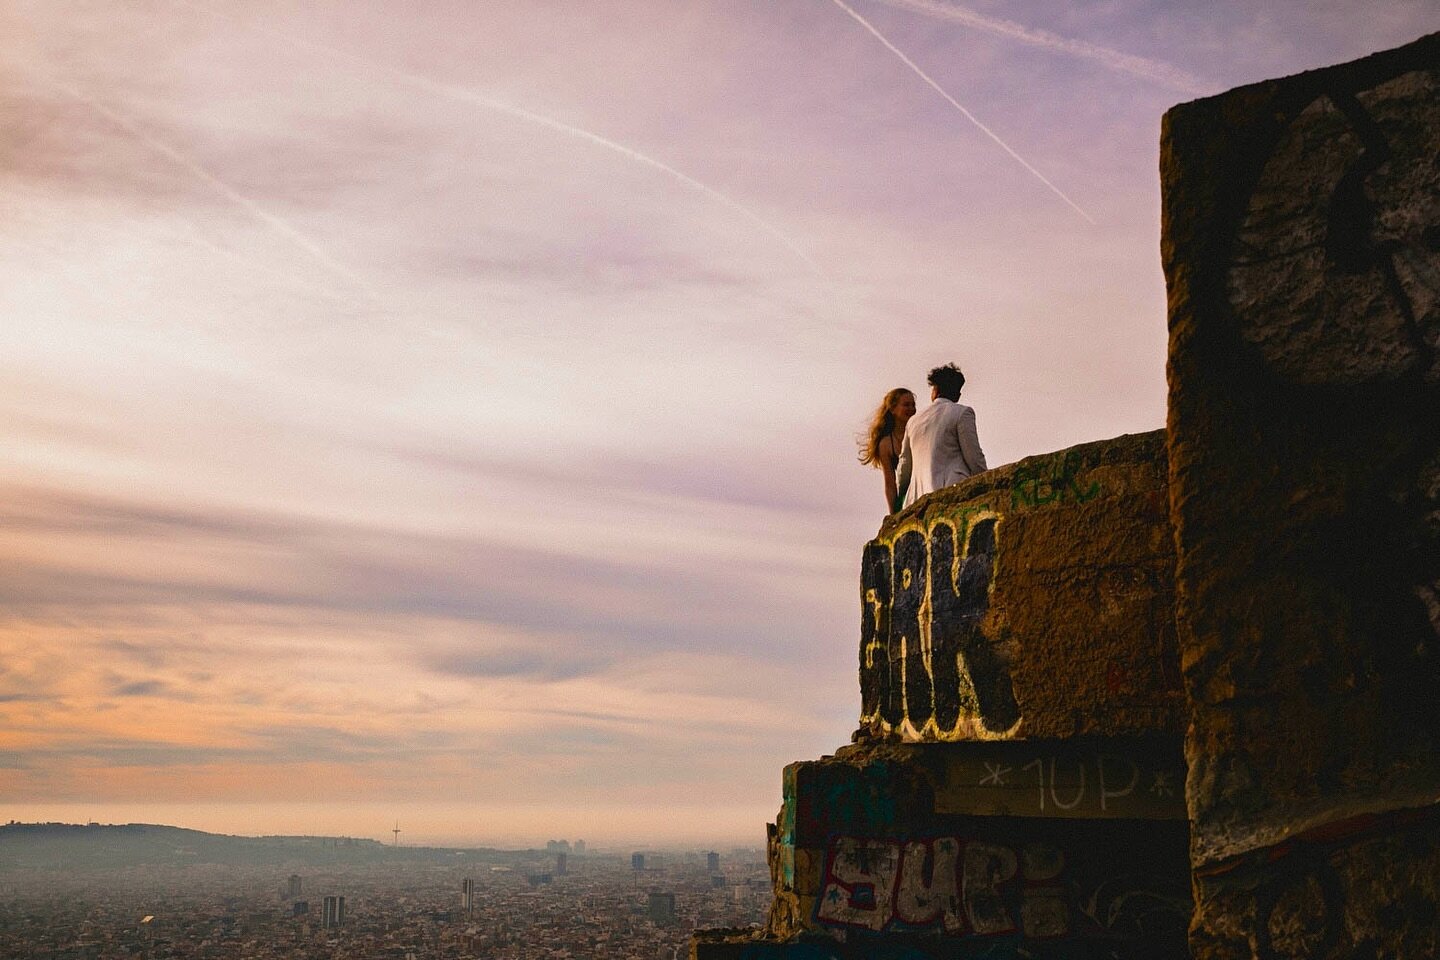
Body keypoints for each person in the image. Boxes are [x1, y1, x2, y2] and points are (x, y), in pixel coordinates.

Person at [896, 363, 986, 508]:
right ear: (957, 394)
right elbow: (974, 457)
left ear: (935, 390)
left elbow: (904, 467)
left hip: (916, 500)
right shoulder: (962, 413)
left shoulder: (913, 421)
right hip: (952, 492)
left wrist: (900, 497)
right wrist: (988, 484)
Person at [858, 387, 917, 514]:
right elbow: (890, 483)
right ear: (893, 409)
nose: (911, 409)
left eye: (913, 405)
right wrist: (893, 514)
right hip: (906, 492)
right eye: (906, 405)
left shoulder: (919, 431)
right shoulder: (886, 444)